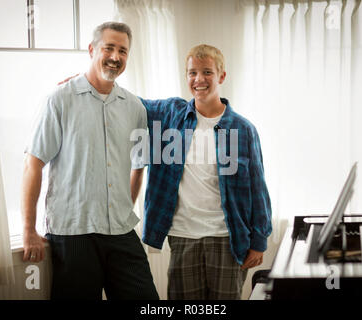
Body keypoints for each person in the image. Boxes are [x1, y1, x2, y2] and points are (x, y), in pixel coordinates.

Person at [21, 22, 159, 300]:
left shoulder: (135, 107)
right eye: (109, 48)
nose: (116, 56)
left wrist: (123, 207)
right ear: (92, 49)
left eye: (123, 50)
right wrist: (29, 230)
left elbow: (138, 165)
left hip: (121, 231)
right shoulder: (59, 100)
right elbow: (33, 164)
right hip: (73, 232)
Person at [131, 44, 272, 300]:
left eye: (207, 72)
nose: (199, 79)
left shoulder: (242, 129)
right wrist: (87, 82)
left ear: (221, 76)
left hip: (227, 238)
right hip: (183, 236)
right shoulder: (170, 116)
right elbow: (131, 103)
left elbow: (257, 188)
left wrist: (259, 241)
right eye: (192, 72)